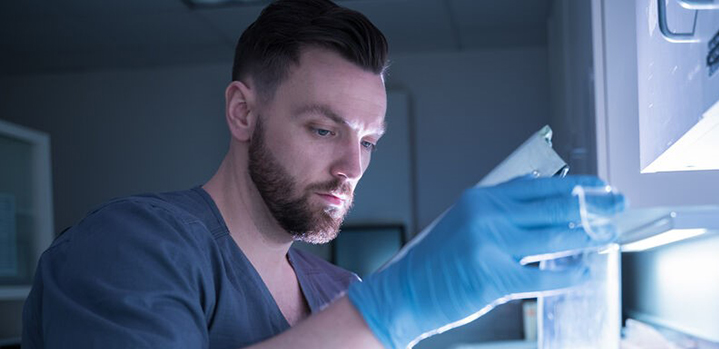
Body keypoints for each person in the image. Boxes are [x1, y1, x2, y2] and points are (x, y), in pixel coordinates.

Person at [21, 1, 621, 348]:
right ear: (242, 111)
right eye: (324, 130)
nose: (352, 168)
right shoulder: (131, 247)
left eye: (369, 142)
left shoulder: (338, 290)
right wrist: (392, 309)